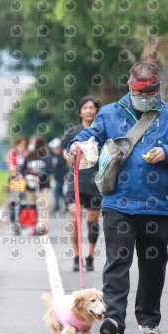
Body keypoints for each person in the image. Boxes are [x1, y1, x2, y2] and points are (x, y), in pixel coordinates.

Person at [68, 61, 168, 334]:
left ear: (158, 88)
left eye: (149, 93)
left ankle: (149, 318)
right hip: (118, 202)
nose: (144, 99)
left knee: (153, 263)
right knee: (118, 262)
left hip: (158, 205)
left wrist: (167, 151)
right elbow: (90, 135)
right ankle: (114, 319)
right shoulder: (109, 114)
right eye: (140, 94)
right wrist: (77, 144)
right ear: (130, 87)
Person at [61, 96, 102, 272]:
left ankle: (90, 256)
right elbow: (63, 148)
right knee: (75, 217)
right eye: (85, 108)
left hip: (95, 184)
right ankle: (77, 257)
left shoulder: (101, 131)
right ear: (80, 112)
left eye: (91, 108)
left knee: (92, 220)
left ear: (96, 112)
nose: (88, 110)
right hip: (75, 182)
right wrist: (67, 157)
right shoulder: (73, 131)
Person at [20, 135, 53, 235]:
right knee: (31, 205)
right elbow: (22, 169)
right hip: (30, 186)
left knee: (43, 205)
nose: (30, 144)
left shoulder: (46, 156)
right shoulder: (28, 156)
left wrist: (40, 177)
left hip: (43, 186)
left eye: (32, 142)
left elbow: (49, 169)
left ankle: (43, 226)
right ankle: (32, 226)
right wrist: (25, 177)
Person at [48, 137, 68, 212]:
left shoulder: (62, 156)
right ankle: (67, 204)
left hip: (61, 177)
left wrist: (64, 176)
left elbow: (64, 167)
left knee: (56, 191)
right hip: (57, 177)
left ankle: (57, 206)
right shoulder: (56, 156)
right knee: (59, 191)